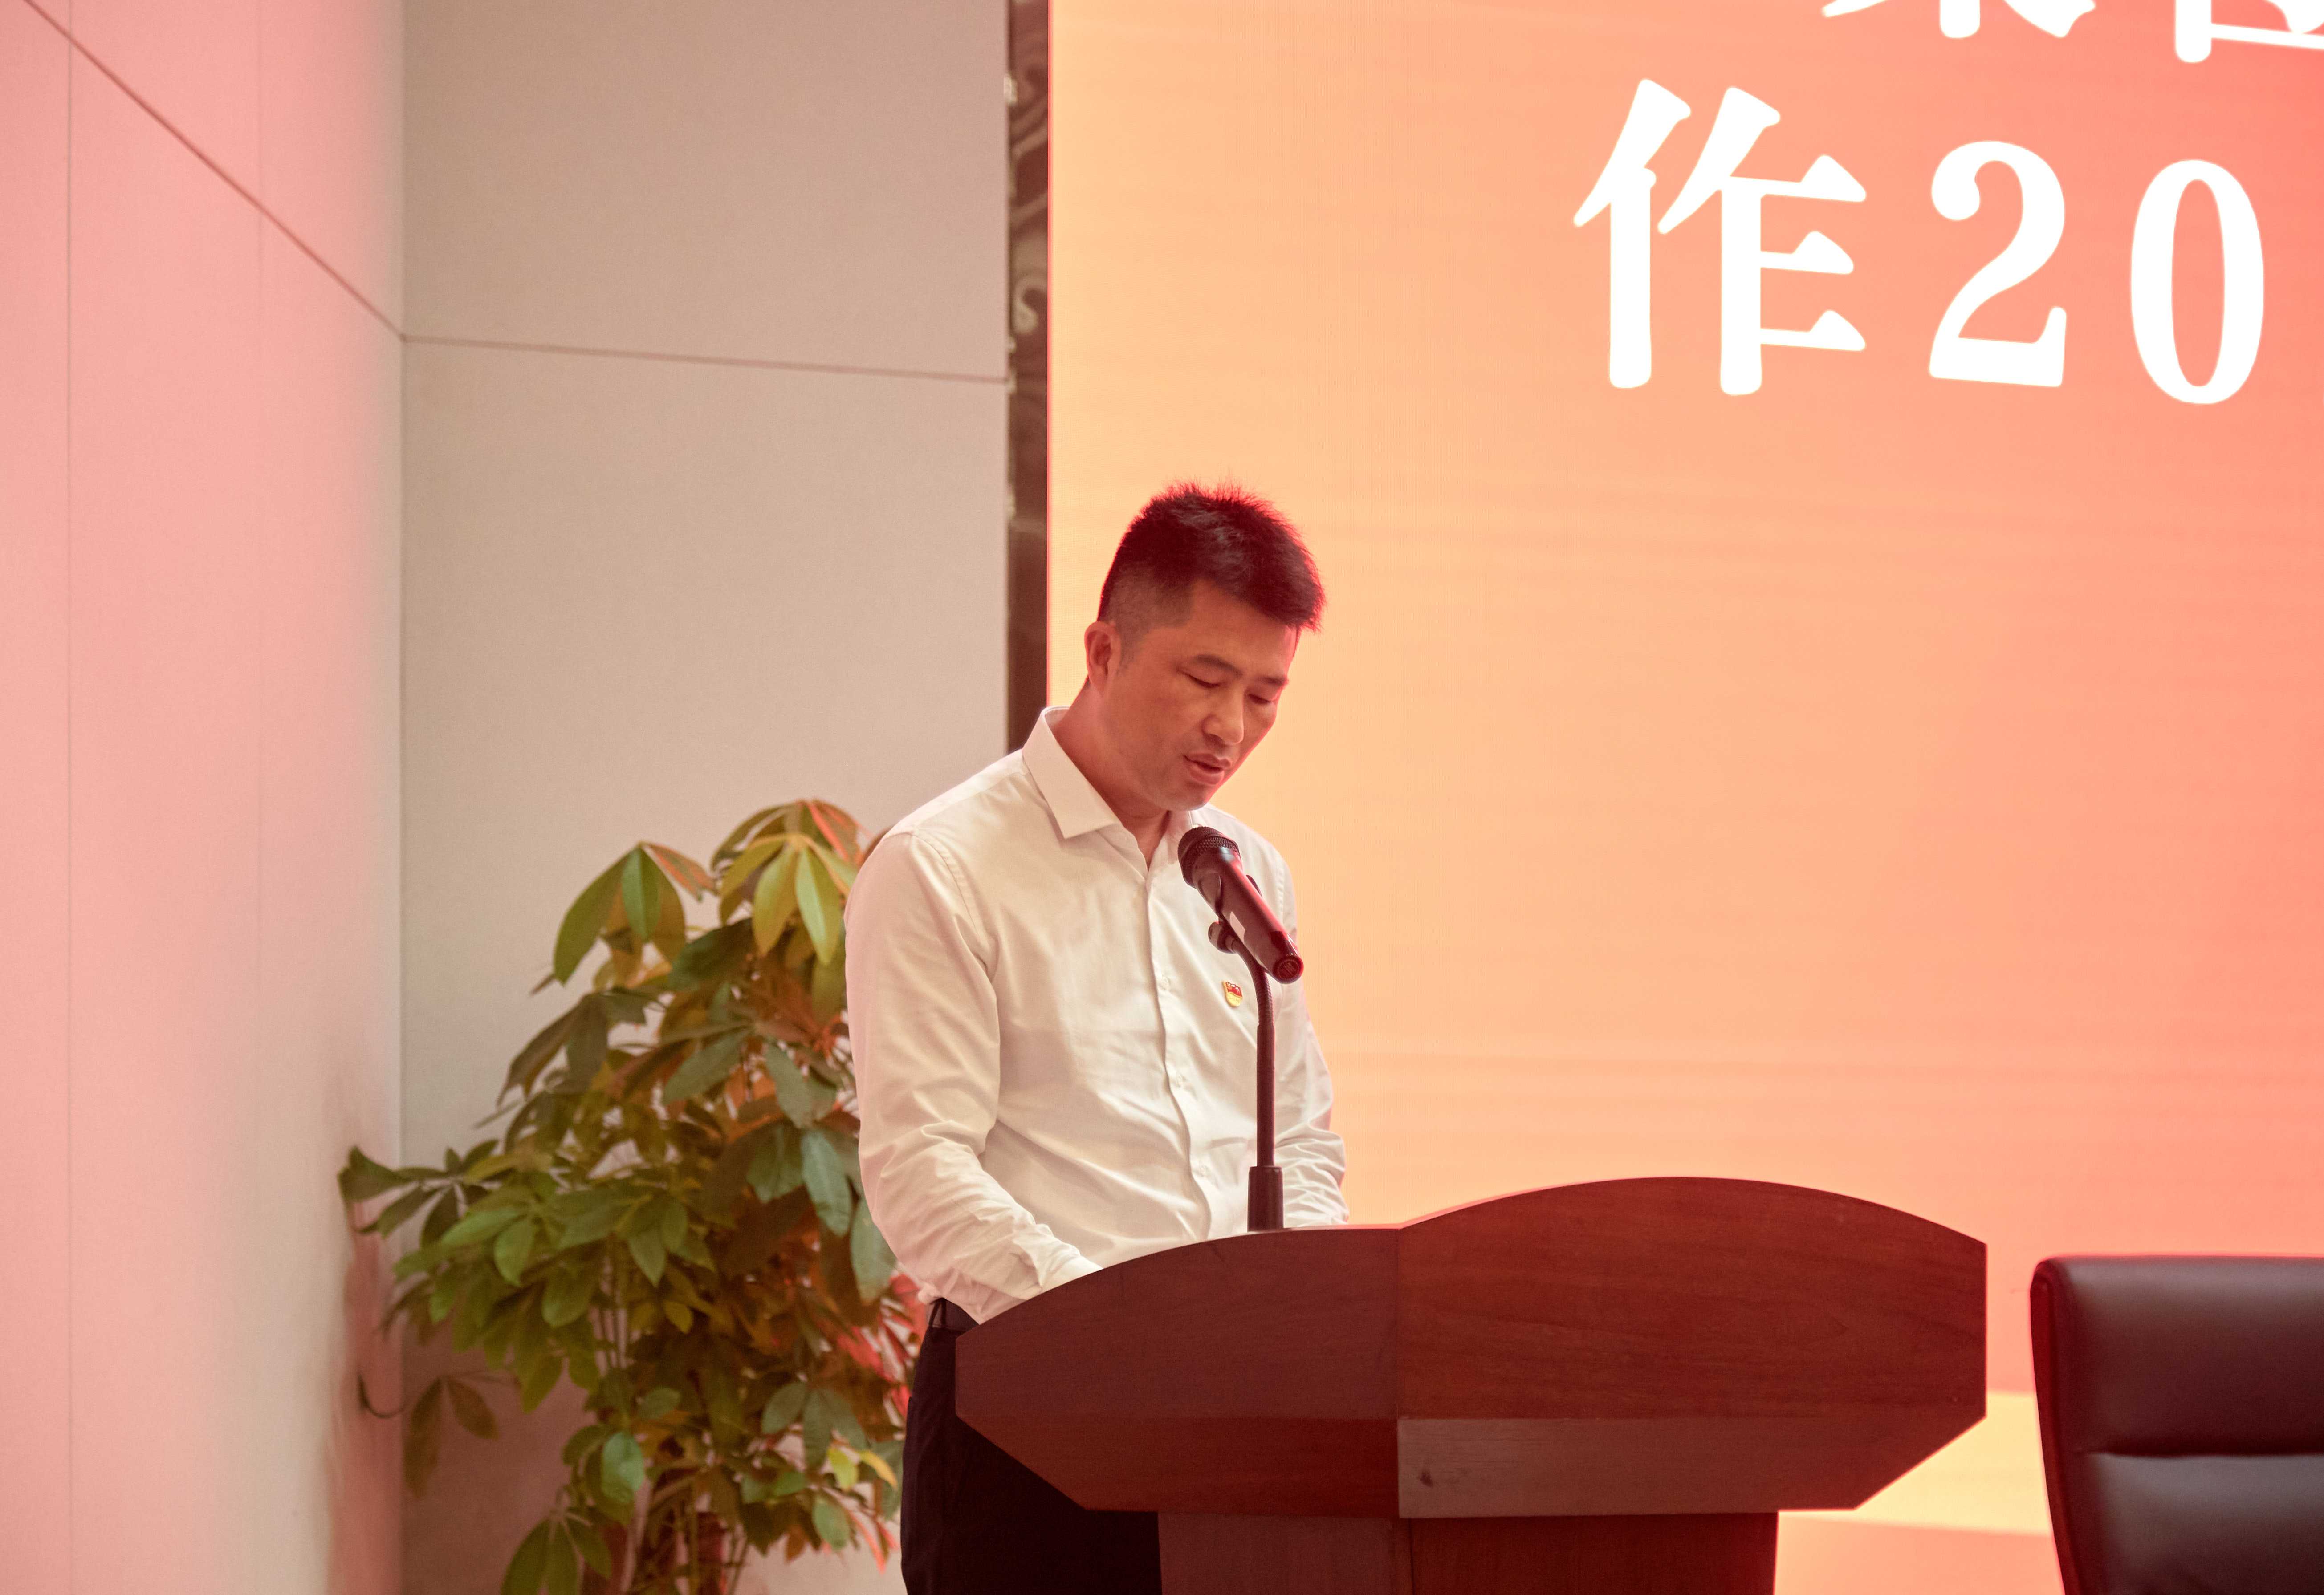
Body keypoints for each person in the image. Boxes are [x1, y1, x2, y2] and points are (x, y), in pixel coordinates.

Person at [847, 483, 1350, 1594]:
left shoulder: (1247, 872)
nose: (1232, 727)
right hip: (1030, 1423)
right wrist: (1119, 1337)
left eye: (1265, 694)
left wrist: (1302, 1328)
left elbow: (1302, 1141)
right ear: (1104, 649)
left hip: (1240, 1422)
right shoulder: (945, 865)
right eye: (1205, 680)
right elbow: (922, 1169)